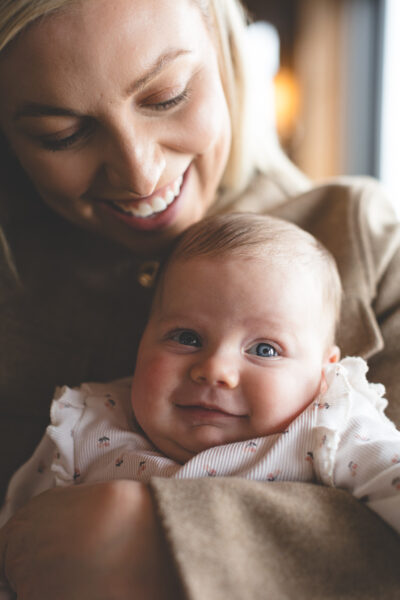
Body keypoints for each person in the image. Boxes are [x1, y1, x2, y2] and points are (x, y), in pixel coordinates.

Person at [0, 1, 399, 599]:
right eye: (64, 133)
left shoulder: (363, 237)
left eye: (166, 97)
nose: (140, 173)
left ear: (225, 51)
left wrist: (150, 537)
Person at [2, 213, 400, 552]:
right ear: (142, 339)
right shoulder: (86, 426)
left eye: (264, 350)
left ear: (323, 371)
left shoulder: (329, 428)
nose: (215, 370)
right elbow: (16, 536)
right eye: (186, 337)